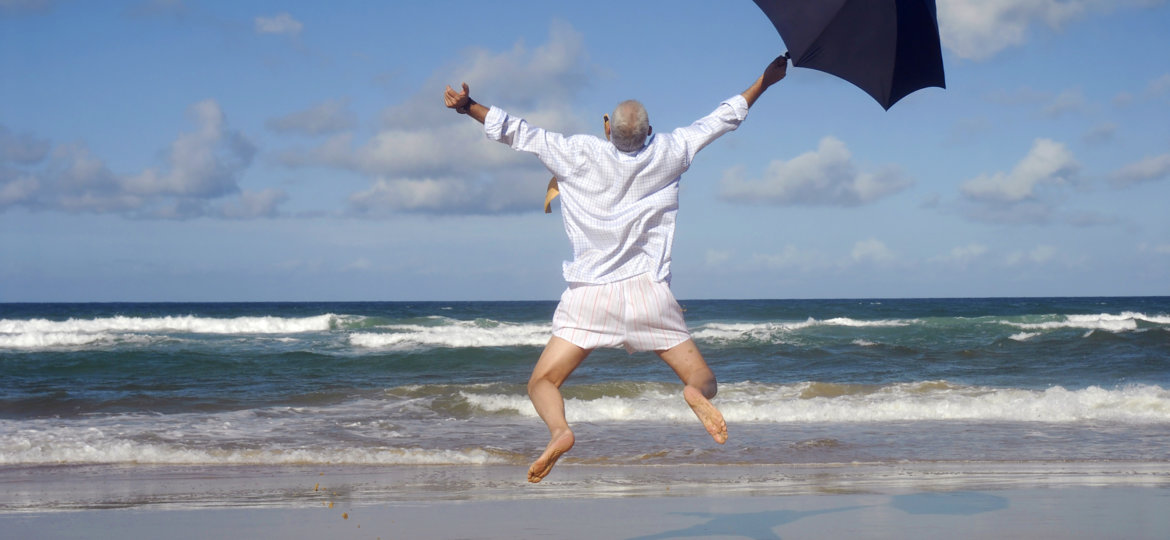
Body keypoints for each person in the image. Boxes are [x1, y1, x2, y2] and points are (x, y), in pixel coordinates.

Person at [444, 55, 787, 483]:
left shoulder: (576, 152)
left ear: (607, 126)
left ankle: (560, 431)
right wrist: (764, 82)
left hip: (589, 295)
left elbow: (518, 132)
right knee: (702, 377)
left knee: (542, 383)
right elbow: (722, 119)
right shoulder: (670, 150)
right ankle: (693, 396)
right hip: (649, 294)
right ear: (650, 129)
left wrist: (468, 107)